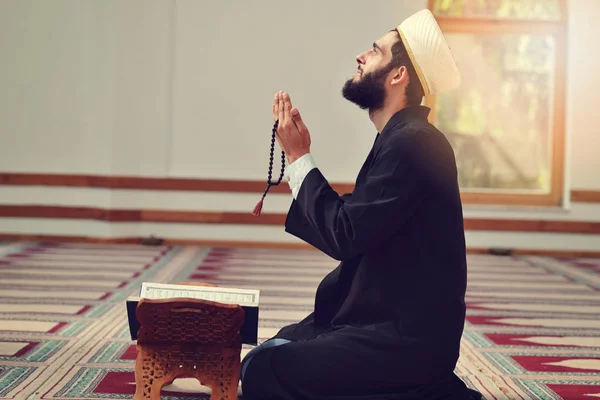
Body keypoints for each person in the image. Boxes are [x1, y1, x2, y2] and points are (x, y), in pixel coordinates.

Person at [241, 9, 483, 400]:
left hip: (406, 340)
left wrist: (300, 158)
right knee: (269, 352)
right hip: (383, 322)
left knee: (266, 371)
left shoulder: (413, 142)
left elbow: (345, 234)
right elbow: (357, 221)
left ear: (398, 75)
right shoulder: (401, 137)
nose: (361, 56)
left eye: (374, 51)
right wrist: (300, 158)